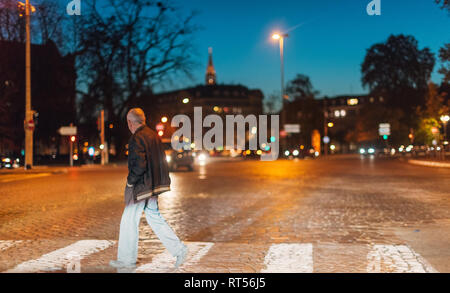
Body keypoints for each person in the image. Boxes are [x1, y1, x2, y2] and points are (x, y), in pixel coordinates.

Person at [109, 108, 188, 270]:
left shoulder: (136, 138)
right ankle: (179, 250)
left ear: (130, 123)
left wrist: (130, 182)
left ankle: (126, 260)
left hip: (141, 186)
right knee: (154, 218)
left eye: (128, 123)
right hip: (153, 185)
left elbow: (139, 165)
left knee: (128, 220)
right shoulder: (153, 135)